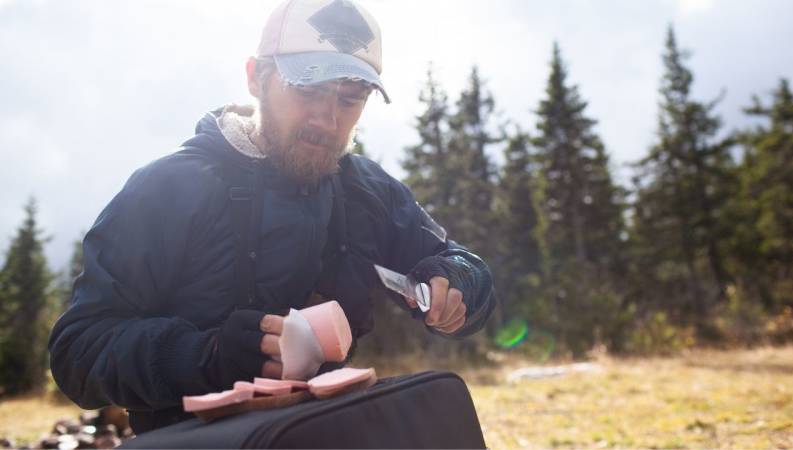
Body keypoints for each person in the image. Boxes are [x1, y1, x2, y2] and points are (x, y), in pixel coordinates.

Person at [49, 0, 496, 434]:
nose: (326, 118)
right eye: (307, 88)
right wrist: (207, 355)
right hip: (195, 436)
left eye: (350, 98)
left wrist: (453, 283)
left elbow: (460, 264)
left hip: (320, 427)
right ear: (255, 77)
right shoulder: (170, 188)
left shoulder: (367, 192)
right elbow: (77, 352)